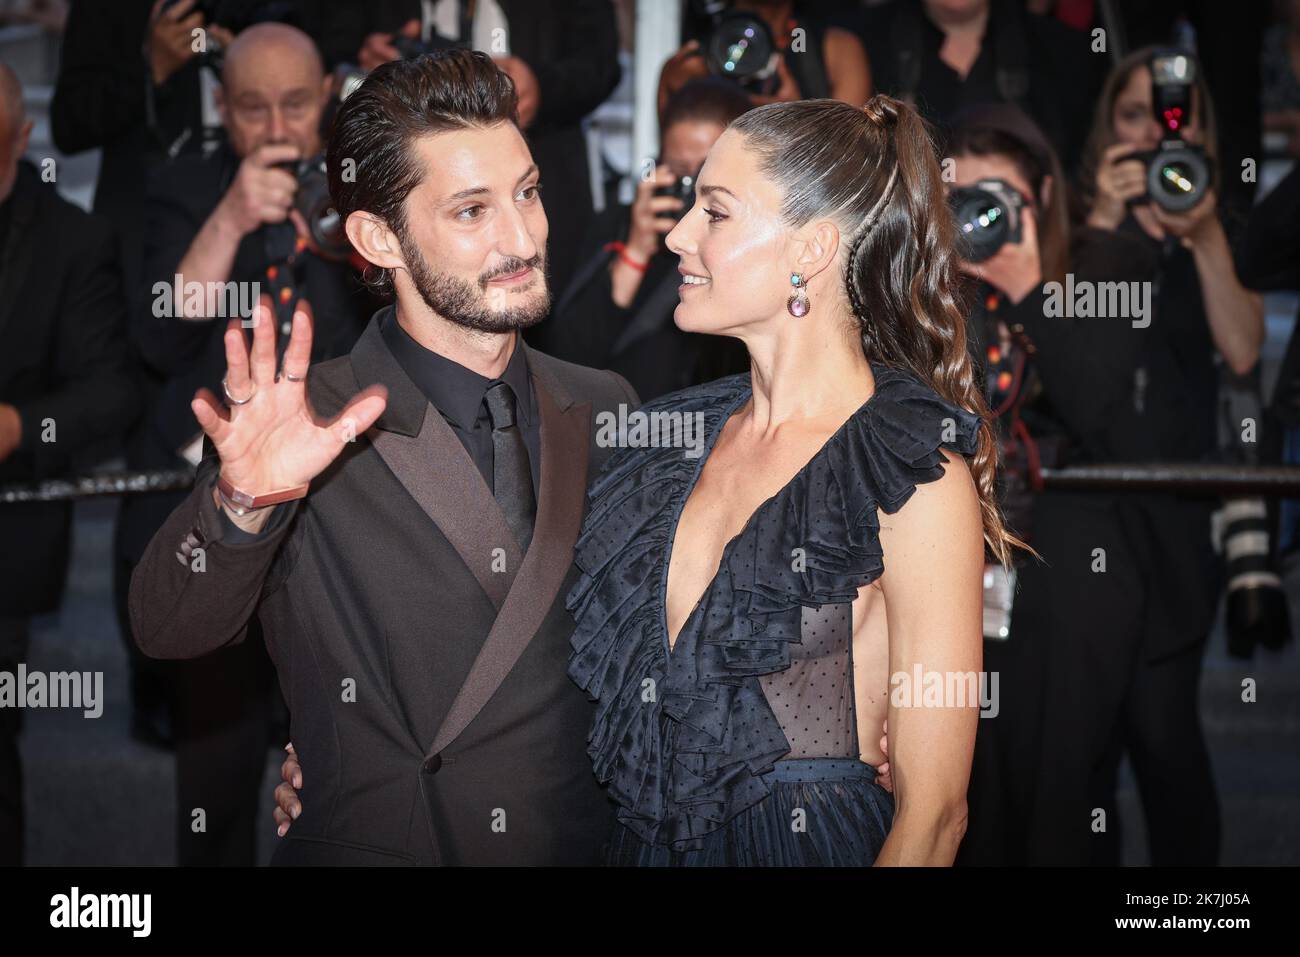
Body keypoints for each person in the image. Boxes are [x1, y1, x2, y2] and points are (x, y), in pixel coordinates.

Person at [130, 49, 639, 866]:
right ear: (378, 237)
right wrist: (242, 503)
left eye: (528, 192)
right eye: (471, 211)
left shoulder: (607, 402)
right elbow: (167, 627)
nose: (522, 236)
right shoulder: (306, 419)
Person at [563, 94, 1015, 866]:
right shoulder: (664, 446)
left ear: (811, 247)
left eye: (715, 211)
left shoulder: (911, 476)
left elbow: (935, 819)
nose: (678, 234)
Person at [119, 22, 372, 866]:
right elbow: (155, 337)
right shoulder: (181, 183)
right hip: (210, 511)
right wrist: (229, 218)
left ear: (326, 99)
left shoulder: (361, 186)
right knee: (217, 772)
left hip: (340, 519)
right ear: (221, 109)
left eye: (295, 105)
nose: (273, 127)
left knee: (341, 769)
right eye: (252, 107)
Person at [1036, 45, 1262, 866]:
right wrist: (1100, 224)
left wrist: (1200, 234)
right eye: (1135, 113)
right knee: (1082, 752)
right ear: (1110, 127)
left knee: (1167, 742)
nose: (1154, 130)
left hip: (1177, 513)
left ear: (1199, 128)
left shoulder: (1216, 222)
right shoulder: (1077, 218)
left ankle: (1188, 915)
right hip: (1087, 505)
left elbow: (1243, 353)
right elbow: (1050, 342)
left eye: (1174, 114)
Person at [0, 63, 140, 865]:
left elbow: (112, 394)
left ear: (24, 140)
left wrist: (21, 424)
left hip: (8, 537)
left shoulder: (73, 238)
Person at [539, 78, 752, 400]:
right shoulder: (624, 223)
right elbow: (567, 359)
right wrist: (636, 251)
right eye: (681, 172)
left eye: (707, 173)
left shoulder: (754, 247)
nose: (694, 190)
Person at [658, 0, 870, 115]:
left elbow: (847, 161)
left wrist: (796, 117)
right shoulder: (691, 65)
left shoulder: (835, 50)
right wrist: (697, 99)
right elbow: (681, 160)